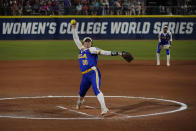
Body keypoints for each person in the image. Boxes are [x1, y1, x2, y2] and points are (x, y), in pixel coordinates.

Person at [71, 20, 122, 115]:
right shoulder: (81, 49)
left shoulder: (92, 49)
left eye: (89, 42)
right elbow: (75, 38)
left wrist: (118, 53)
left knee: (96, 89)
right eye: (86, 42)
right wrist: (73, 27)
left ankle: (104, 108)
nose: (87, 43)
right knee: (82, 92)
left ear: (91, 43)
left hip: (93, 73)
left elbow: (105, 52)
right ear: (83, 43)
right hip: (85, 75)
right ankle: (79, 102)